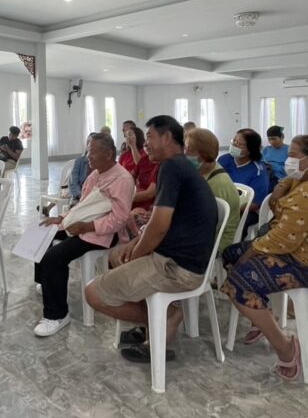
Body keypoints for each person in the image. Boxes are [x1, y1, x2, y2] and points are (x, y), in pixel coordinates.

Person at [84, 116, 218, 364]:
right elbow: (159, 221)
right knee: (117, 256)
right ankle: (154, 322)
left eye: (149, 138)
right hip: (179, 257)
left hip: (178, 268)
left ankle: (165, 318)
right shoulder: (180, 166)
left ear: (167, 138)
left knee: (93, 294)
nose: (145, 144)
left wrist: (136, 256)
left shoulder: (171, 167)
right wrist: (134, 245)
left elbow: (158, 228)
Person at [221, 135, 308, 381]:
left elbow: (283, 239)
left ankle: (286, 346)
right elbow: (282, 217)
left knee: (238, 283)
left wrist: (252, 252)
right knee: (230, 254)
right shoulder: (300, 181)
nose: (288, 161)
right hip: (295, 250)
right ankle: (263, 315)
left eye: (293, 155)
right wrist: (279, 192)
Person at [33, 134, 135, 337]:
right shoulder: (95, 174)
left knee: (54, 256)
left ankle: (57, 315)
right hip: (83, 225)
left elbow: (119, 218)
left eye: (93, 152)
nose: (88, 156)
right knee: (42, 234)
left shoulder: (122, 179)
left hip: (103, 234)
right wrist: (60, 218)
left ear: (108, 154)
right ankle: (46, 281)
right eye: (88, 150)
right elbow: (82, 206)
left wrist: (87, 226)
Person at [186, 128, 240, 249]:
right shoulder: (201, 171)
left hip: (215, 242)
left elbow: (205, 226)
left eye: (189, 150)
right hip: (201, 234)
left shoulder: (219, 184)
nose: (184, 154)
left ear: (204, 154)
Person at [218, 128, 271, 229]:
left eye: (240, 144)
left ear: (251, 149)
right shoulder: (224, 159)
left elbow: (255, 204)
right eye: (234, 141)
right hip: (223, 204)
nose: (234, 145)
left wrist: (230, 210)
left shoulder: (258, 171)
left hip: (246, 210)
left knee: (229, 226)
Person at [120, 123, 159, 212]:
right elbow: (130, 177)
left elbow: (149, 194)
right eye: (147, 138)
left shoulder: (162, 165)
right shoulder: (145, 159)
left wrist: (124, 197)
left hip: (147, 205)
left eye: (150, 138)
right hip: (134, 197)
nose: (146, 143)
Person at [68, 133, 100, 202]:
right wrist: (81, 195)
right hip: (80, 196)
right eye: (89, 143)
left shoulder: (101, 162)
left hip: (95, 198)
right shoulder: (79, 162)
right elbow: (73, 182)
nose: (90, 146)